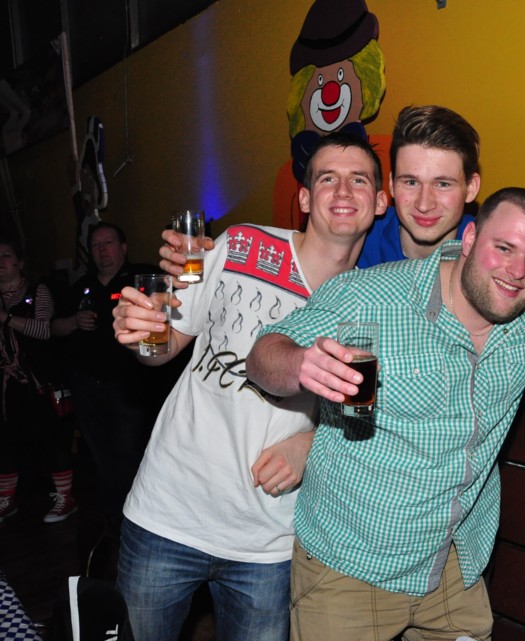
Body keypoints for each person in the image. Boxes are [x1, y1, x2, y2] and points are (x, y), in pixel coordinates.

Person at [245, 186, 525, 641]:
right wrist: (300, 365)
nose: (515, 272)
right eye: (503, 248)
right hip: (349, 569)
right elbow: (264, 354)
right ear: (469, 239)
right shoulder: (371, 295)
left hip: (452, 568)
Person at [109, 131, 388, 641]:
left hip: (269, 542)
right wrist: (139, 332)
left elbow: (368, 422)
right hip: (167, 513)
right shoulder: (242, 245)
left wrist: (309, 445)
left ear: (381, 201)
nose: (343, 191)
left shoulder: (372, 304)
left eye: (360, 180)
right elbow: (165, 345)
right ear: (305, 198)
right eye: (327, 178)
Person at [50, 222, 156, 535]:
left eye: (108, 243)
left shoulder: (141, 278)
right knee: (100, 456)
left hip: (127, 387)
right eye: (96, 245)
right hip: (86, 386)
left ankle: (137, 522)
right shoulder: (81, 286)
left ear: (123, 247)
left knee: (128, 455)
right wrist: (74, 321)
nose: (101, 250)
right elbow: (53, 327)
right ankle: (114, 520)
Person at [0, 239, 75, 524]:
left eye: (6, 256)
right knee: (5, 441)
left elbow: (44, 330)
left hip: (39, 381)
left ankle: (65, 498)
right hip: (7, 383)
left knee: (51, 439)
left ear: (20, 262)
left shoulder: (37, 291)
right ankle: (6, 500)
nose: (0, 261)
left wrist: (6, 318)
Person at [357, 104, 481, 266]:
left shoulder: (488, 253)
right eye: (411, 182)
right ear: (391, 183)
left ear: (471, 188)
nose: (424, 205)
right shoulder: (358, 238)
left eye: (443, 184)